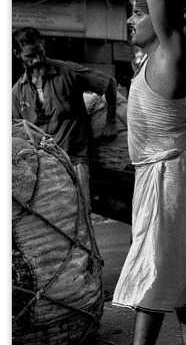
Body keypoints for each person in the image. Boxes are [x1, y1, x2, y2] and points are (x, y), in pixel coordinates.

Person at [83, 0, 186, 345]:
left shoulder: (171, 50)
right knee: (175, 262)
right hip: (154, 173)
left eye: (138, 14)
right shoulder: (149, 58)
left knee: (154, 263)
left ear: (162, 18)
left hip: (167, 173)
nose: (131, 21)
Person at [12, 26, 118, 209]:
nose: (38, 59)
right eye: (30, 56)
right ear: (17, 54)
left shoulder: (67, 72)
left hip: (75, 161)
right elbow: (16, 130)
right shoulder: (17, 92)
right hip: (44, 168)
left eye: (40, 52)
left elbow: (108, 83)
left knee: (80, 216)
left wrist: (110, 122)